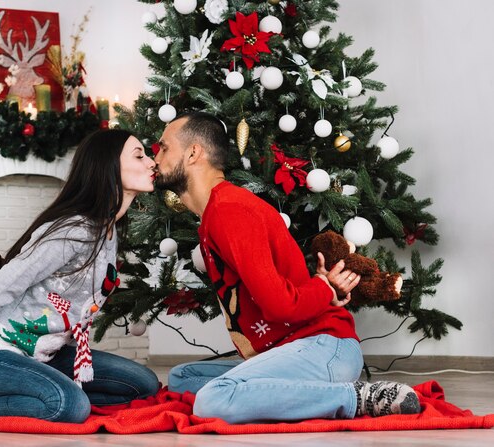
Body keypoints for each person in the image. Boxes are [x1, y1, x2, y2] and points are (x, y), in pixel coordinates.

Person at [154, 112, 421, 424]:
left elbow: (280, 306)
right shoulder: (215, 212)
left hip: (322, 346)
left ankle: (355, 397)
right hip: (286, 350)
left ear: (193, 152)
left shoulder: (229, 211)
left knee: (211, 401)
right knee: (183, 377)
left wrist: (324, 287)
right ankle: (291, 393)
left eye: (163, 148)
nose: (155, 157)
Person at [0, 129, 160, 422]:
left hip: (44, 355)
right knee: (70, 406)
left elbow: (75, 311)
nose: (151, 163)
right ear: (107, 165)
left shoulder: (108, 235)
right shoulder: (74, 231)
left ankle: (41, 394)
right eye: (139, 155)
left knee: (144, 385)